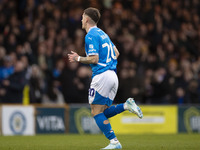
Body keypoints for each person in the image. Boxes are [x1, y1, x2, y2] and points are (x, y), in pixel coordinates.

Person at [68, 7, 143, 150]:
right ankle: (126, 105)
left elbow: (94, 59)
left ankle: (114, 142)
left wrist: (77, 58)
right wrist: (108, 63)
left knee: (95, 112)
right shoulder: (103, 34)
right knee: (102, 112)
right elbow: (117, 52)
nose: (81, 20)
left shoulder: (90, 36)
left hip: (102, 76)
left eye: (83, 17)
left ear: (88, 19)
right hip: (113, 75)